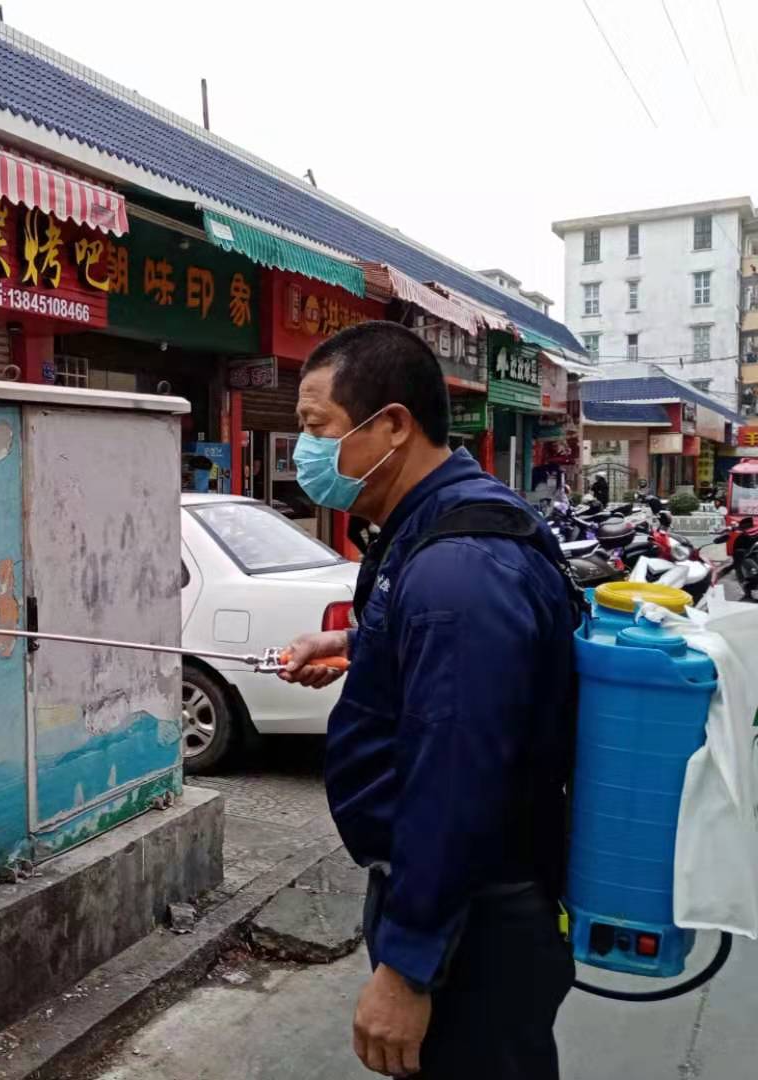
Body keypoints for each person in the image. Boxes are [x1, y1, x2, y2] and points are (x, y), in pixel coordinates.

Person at [280, 322, 576, 1079]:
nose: (303, 451)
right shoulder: (427, 529)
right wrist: (355, 648)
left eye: (317, 427)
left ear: (392, 426)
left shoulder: (459, 568)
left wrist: (410, 966)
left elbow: (458, 778)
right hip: (460, 904)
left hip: (475, 922)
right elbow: (444, 668)